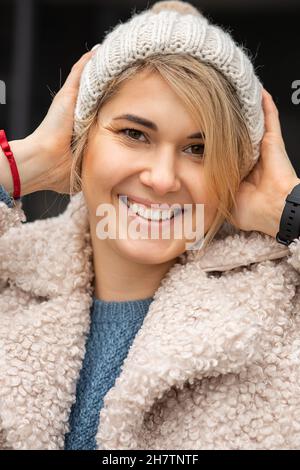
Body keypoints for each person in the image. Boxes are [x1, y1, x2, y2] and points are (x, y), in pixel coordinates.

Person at [0, 0, 300, 450]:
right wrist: (23, 164)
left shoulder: (281, 309)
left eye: (199, 149)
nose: (161, 179)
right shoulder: (10, 275)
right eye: (134, 134)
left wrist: (288, 208)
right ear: (82, 137)